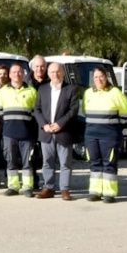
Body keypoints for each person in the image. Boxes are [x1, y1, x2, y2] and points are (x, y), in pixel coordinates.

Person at [82, 66, 127, 203]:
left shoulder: (115, 93)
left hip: (109, 135)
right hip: (91, 134)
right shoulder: (88, 93)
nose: (98, 79)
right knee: (94, 163)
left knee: (109, 163)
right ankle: (95, 192)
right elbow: (85, 111)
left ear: (107, 77)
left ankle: (109, 193)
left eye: (101, 76)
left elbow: (126, 114)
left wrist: (115, 128)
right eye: (96, 77)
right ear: (93, 78)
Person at [33, 62, 80, 200]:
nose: (55, 74)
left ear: (63, 73)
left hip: (64, 131)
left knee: (65, 162)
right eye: (52, 72)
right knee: (47, 162)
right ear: (48, 74)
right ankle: (49, 188)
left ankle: (64, 189)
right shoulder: (42, 89)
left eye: (58, 71)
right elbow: (37, 109)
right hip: (46, 132)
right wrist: (44, 125)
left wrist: (60, 124)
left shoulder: (71, 89)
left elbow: (73, 110)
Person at [0, 63, 37, 197]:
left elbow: (35, 111)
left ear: (23, 74)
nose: (17, 74)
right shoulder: (3, 91)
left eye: (19, 72)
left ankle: (27, 186)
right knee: (11, 160)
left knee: (27, 162)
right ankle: (13, 186)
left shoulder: (31, 90)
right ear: (9, 74)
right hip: (9, 132)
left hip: (27, 133)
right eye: (14, 72)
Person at [24, 54, 51, 189]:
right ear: (32, 67)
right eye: (37, 66)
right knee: (31, 153)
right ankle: (33, 180)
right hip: (30, 123)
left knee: (47, 155)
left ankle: (48, 183)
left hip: (47, 123)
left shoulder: (52, 81)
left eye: (42, 66)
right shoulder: (25, 82)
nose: (40, 69)